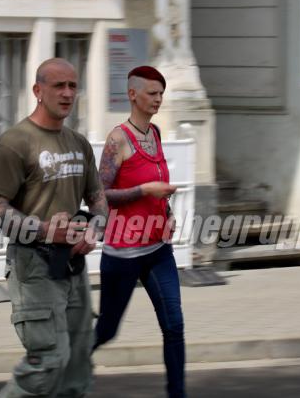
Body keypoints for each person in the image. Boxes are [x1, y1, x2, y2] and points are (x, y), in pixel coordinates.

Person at [0, 58, 109, 398]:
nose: (68, 93)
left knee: (77, 364)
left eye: (72, 85)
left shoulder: (78, 143)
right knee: (49, 361)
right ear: (38, 91)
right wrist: (45, 231)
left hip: (72, 267)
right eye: (58, 86)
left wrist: (94, 230)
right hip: (33, 266)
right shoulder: (15, 143)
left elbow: (98, 201)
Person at [93, 66, 186, 398]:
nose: (158, 99)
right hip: (123, 254)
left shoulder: (156, 133)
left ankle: (178, 394)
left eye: (162, 93)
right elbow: (99, 196)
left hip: (158, 250)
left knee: (174, 326)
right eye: (152, 93)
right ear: (133, 94)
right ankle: (69, 368)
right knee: (106, 331)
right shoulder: (118, 139)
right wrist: (145, 190)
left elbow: (158, 188)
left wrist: (169, 213)